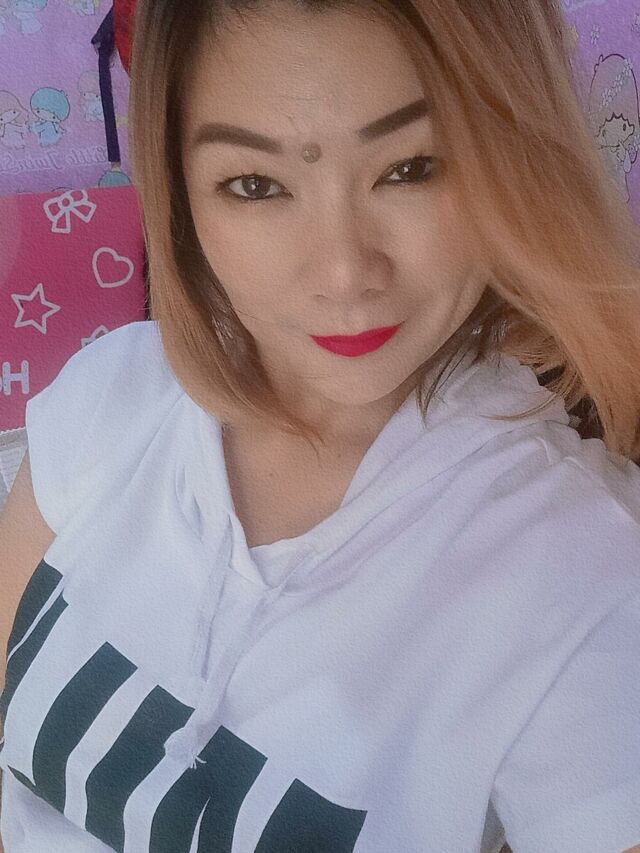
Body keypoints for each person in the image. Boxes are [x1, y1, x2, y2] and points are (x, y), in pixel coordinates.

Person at [1, 0, 640, 850]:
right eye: (255, 185)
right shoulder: (110, 395)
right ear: (181, 194)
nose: (343, 272)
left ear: (513, 161)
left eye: (411, 168)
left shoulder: (584, 569)